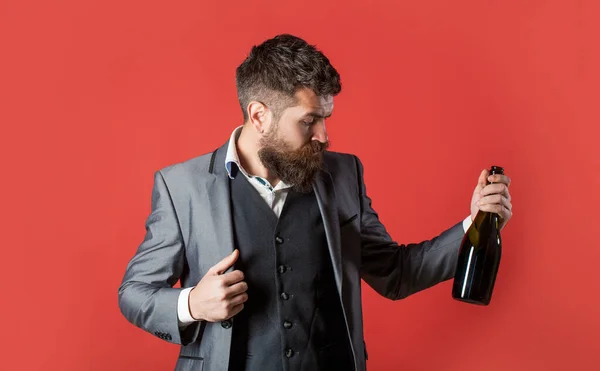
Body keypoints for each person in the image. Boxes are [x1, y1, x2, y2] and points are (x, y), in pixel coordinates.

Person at [118, 34, 513, 371]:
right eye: (309, 120)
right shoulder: (181, 186)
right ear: (259, 116)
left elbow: (396, 273)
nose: (323, 136)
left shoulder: (343, 175)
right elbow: (135, 292)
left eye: (325, 118)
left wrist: (473, 224)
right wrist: (192, 304)